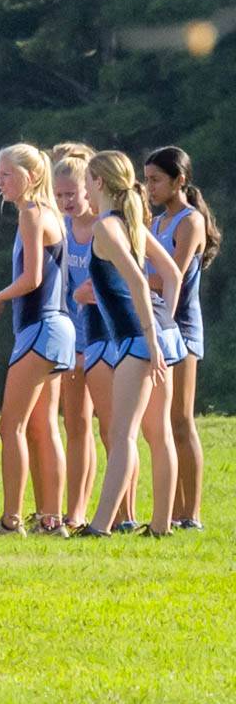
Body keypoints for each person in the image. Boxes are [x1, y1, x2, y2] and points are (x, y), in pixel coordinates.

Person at [77, 151, 183, 537]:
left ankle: (101, 526)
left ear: (99, 183)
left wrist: (151, 340)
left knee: (122, 434)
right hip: (160, 330)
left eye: (87, 181)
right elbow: (171, 274)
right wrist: (162, 326)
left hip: (139, 337)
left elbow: (140, 282)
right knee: (160, 435)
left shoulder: (106, 227)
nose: (85, 188)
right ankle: (159, 527)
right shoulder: (132, 222)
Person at [0, 144, 75, 538]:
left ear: (31, 176)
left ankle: (11, 520)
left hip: (40, 327)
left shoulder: (31, 213)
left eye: (7, 174)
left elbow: (32, 278)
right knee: (43, 427)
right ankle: (51, 519)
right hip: (57, 327)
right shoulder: (51, 214)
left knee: (11, 427)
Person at [144, 146, 221, 530]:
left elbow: (170, 275)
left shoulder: (189, 223)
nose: (150, 187)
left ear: (180, 181)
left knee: (181, 420)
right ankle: (171, 510)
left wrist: (130, 280)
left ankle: (192, 513)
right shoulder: (155, 224)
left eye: (157, 180)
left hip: (183, 329)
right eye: (147, 179)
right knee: (159, 423)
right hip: (158, 326)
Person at [53, 147, 112, 530]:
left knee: (111, 429)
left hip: (105, 339)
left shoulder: (107, 227)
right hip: (72, 339)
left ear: (91, 188)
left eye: (72, 194)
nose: (66, 202)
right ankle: (75, 511)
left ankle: (122, 512)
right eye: (59, 196)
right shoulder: (60, 228)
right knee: (75, 425)